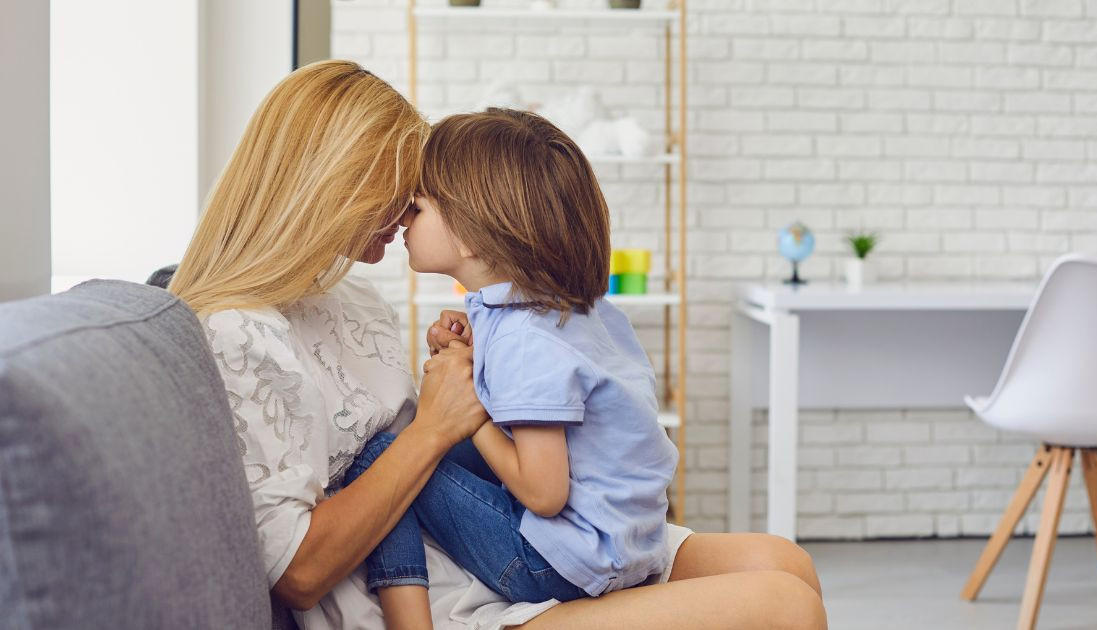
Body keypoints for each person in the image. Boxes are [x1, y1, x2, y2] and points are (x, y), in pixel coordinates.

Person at [169, 59, 826, 630]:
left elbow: (474, 426)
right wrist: (436, 428)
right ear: (332, 186)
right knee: (782, 606)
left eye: (417, 201)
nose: (406, 213)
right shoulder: (239, 333)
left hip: (493, 536)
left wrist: (466, 383)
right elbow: (300, 573)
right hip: (453, 592)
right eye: (399, 192)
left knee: (784, 561)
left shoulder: (353, 298)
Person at [344, 108, 679, 630]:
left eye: (416, 207)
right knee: (428, 443)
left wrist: (470, 413)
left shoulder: (525, 342)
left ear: (470, 231)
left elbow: (545, 494)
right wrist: (472, 355)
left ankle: (409, 622)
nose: (403, 221)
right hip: (629, 542)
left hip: (558, 566)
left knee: (383, 458)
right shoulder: (562, 309)